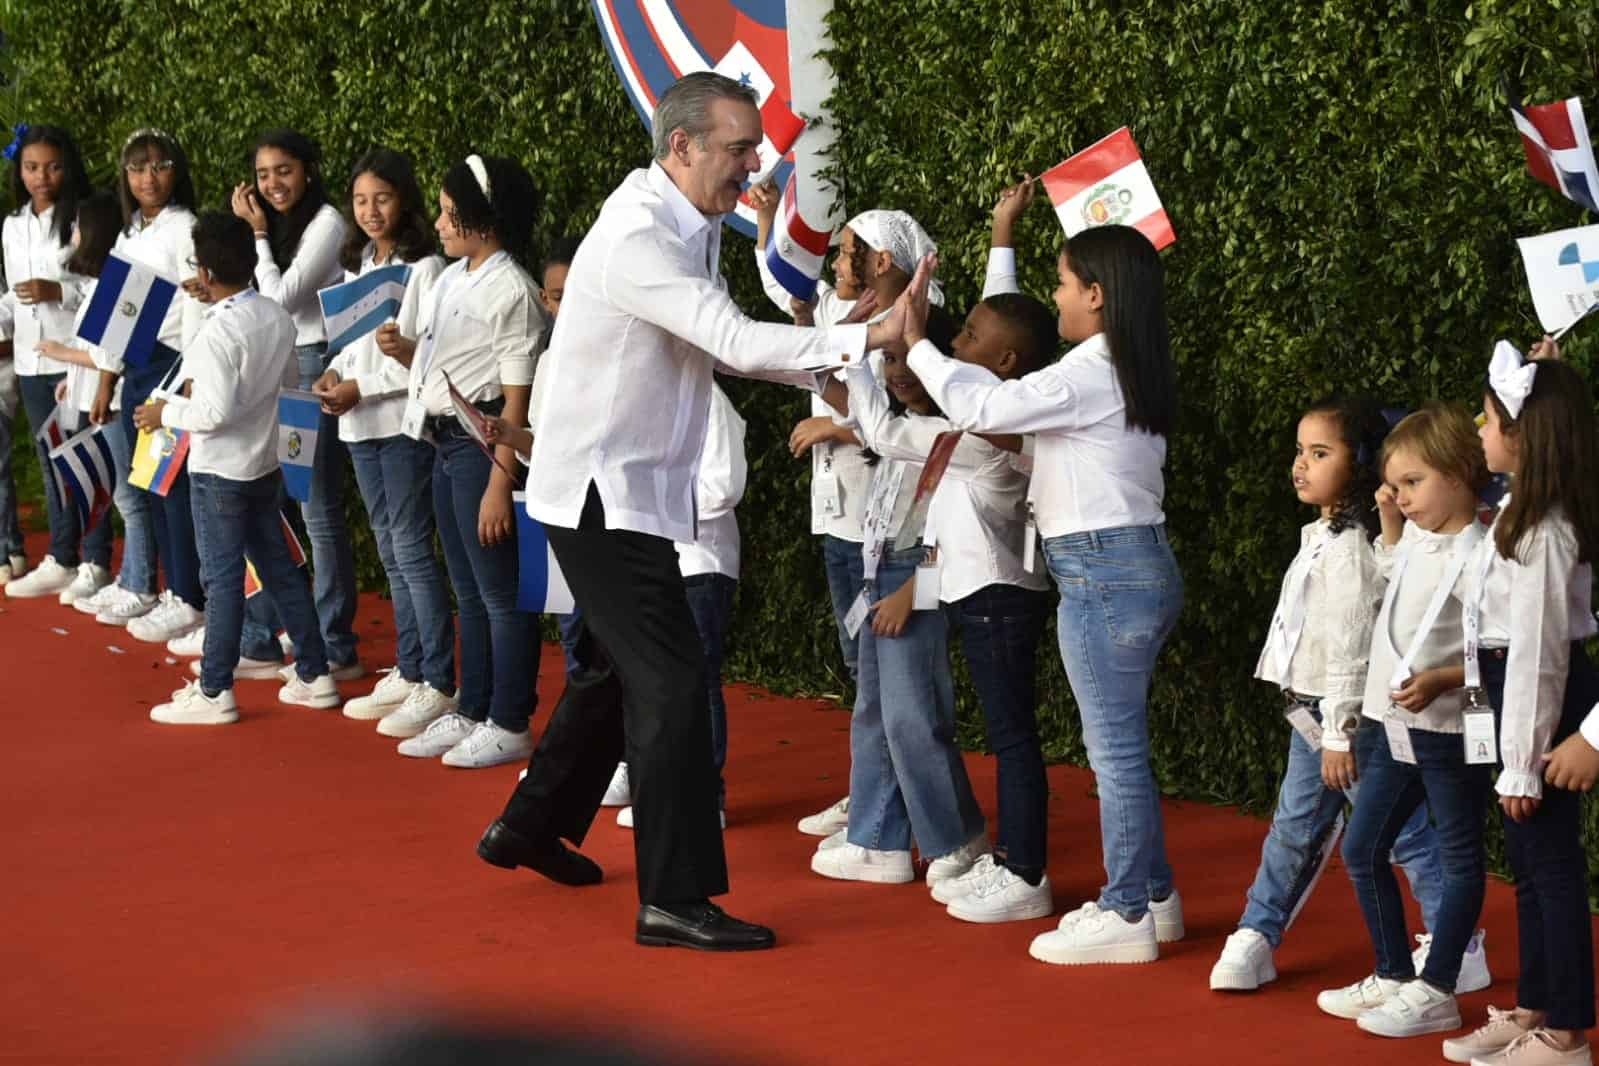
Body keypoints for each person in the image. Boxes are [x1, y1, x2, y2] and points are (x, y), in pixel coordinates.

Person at [479, 71, 903, 950]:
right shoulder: (641, 236)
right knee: (671, 684)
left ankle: (528, 826)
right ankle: (673, 898)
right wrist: (868, 337)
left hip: (622, 490)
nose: (753, 168)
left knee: (610, 671)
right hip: (604, 497)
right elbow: (735, 342)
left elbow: (719, 348)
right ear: (681, 147)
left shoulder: (687, 222)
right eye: (738, 148)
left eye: (755, 148)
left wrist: (825, 360)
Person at [892, 224, 1185, 965]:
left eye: (1060, 282)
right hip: (1125, 564)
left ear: (1094, 294)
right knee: (1122, 749)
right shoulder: (1122, 367)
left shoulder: (1090, 370)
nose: (1053, 296)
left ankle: (1126, 911)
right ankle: (1151, 894)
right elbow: (1013, 423)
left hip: (1101, 571)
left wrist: (916, 341)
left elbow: (986, 408)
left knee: (1113, 753)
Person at [1210, 397, 1486, 994]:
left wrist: (1339, 733)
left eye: (1320, 452)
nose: (1300, 464)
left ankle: (1456, 942)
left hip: (1348, 721)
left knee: (1399, 835)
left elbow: (1353, 650)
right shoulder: (1323, 536)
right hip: (1314, 713)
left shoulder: (1353, 548)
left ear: (1357, 463)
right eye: (1300, 451)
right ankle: (1258, 933)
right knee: (1300, 826)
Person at [1315, 404, 1493, 1039]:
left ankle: (1438, 985)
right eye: (1396, 483)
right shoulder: (1418, 534)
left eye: (1413, 483)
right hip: (1390, 720)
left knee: (1459, 855)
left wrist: (1444, 678)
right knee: (1362, 848)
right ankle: (1393, 972)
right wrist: (1393, 520)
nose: (1402, 495)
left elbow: (1502, 649)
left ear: (1458, 472)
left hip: (1448, 726)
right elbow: (1394, 582)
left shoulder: (1483, 552)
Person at [1444, 349, 1599, 1066]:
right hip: (1514, 690)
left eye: (1488, 415)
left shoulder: (1543, 529)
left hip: (1540, 696)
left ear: (1524, 432)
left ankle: (1566, 1029)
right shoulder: (1519, 511)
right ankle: (1538, 1003)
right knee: (1532, 866)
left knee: (1551, 864)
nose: (1478, 428)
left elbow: (1541, 651)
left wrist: (1520, 765)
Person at [805, 307, 991, 890]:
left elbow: (953, 534)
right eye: (888, 359)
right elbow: (837, 389)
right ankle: (885, 833)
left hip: (916, 583)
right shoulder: (896, 424)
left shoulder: (952, 434)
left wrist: (914, 592)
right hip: (881, 572)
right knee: (878, 712)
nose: (900, 371)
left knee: (914, 718)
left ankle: (949, 839)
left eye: (912, 357)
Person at [376, 152, 545, 768]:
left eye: (451, 215)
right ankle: (473, 708)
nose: (440, 225)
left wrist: (501, 481)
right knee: (469, 590)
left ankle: (510, 719)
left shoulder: (514, 289)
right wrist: (404, 352)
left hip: (483, 446)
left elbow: (515, 394)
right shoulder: (451, 277)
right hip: (446, 441)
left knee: (500, 593)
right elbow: (445, 362)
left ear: (483, 221)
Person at [134, 211, 336, 724]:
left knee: (222, 581)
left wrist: (165, 413)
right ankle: (315, 673)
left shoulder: (215, 333)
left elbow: (212, 413)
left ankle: (215, 690)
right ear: (251, 261)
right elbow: (290, 386)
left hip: (219, 472)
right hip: (265, 465)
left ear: (203, 273)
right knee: (279, 570)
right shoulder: (274, 316)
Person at [311, 149, 455, 730]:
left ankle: (438, 679)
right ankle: (410, 665)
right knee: (390, 549)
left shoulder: (426, 268)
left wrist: (357, 387)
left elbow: (418, 361)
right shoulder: (360, 261)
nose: (371, 211)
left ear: (406, 200)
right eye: (361, 200)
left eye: (383, 198)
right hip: (357, 423)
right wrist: (331, 373)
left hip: (400, 424)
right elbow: (349, 343)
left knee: (413, 549)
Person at [232, 129, 360, 679]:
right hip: (281, 365)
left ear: (307, 169)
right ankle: (278, 632)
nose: (273, 184)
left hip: (312, 366)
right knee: (277, 501)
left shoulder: (328, 222)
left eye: (283, 170)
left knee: (317, 509)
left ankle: (335, 643)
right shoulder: (283, 228)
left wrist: (257, 235)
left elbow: (282, 299)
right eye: (263, 175)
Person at [98, 129, 211, 642]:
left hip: (171, 363)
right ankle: (174, 590)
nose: (149, 177)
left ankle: (191, 596)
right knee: (150, 481)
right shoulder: (130, 233)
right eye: (138, 168)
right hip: (137, 365)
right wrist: (105, 381)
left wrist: (186, 380)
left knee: (174, 486)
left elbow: (195, 305)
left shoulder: (186, 227)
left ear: (177, 170)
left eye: (160, 165)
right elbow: (116, 315)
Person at [0, 124, 93, 599]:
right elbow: (11, 300)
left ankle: (94, 560)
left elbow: (99, 288)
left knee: (86, 457)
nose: (42, 177)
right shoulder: (13, 225)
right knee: (49, 458)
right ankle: (63, 554)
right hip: (30, 360)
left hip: (73, 354)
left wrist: (58, 291)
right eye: (32, 167)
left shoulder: (82, 218)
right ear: (19, 171)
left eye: (53, 166)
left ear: (68, 167)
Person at [32, 192, 134, 610]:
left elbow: (108, 352)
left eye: (76, 225)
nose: (71, 234)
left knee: (126, 496)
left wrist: (60, 355)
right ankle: (126, 577)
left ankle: (129, 578)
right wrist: (70, 380)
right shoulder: (98, 282)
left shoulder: (114, 282)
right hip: (89, 394)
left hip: (108, 400)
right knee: (117, 492)